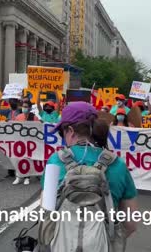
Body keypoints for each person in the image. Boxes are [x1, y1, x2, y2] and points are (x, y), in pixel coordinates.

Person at [41, 102, 138, 249]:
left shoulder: (55, 161)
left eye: (62, 132)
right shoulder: (118, 164)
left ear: (71, 130)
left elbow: (46, 215)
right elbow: (130, 224)